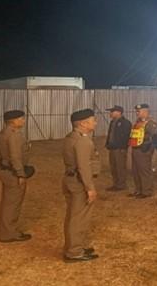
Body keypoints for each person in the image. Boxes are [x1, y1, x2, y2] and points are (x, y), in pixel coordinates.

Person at [62, 109, 100, 262]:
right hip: (79, 183)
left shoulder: (70, 137)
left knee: (73, 216)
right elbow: (83, 167)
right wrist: (90, 188)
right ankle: (74, 251)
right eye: (93, 120)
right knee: (79, 218)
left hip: (70, 179)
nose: (95, 123)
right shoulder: (83, 141)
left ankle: (73, 247)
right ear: (83, 124)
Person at [0, 110, 33, 242]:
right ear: (13, 121)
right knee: (12, 204)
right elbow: (15, 157)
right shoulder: (14, 136)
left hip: (5, 170)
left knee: (6, 203)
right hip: (13, 173)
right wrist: (20, 174)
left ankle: (4, 231)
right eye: (21, 119)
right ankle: (9, 234)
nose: (23, 121)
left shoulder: (3, 133)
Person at [127, 104, 157, 198]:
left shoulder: (150, 123)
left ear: (145, 111)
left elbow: (154, 138)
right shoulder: (138, 122)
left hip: (144, 150)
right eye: (136, 111)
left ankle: (146, 191)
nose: (137, 113)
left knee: (144, 171)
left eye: (138, 111)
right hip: (135, 148)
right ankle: (138, 189)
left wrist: (148, 150)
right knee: (136, 171)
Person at [105, 105, 131, 192]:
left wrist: (123, 147)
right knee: (113, 167)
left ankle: (121, 185)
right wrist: (108, 144)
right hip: (112, 148)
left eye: (112, 111)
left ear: (119, 112)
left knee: (120, 167)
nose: (110, 113)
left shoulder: (125, 123)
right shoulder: (113, 122)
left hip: (120, 149)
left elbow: (126, 137)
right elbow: (110, 134)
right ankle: (116, 183)